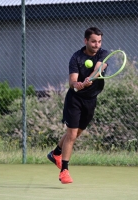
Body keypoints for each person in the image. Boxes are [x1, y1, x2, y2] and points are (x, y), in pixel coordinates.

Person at [47, 27, 109, 184]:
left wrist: (90, 79)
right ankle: (64, 171)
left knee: (76, 133)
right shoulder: (76, 57)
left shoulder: (103, 53)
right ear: (86, 41)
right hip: (75, 100)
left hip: (91, 100)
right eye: (93, 41)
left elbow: (99, 68)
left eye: (99, 41)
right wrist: (79, 84)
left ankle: (56, 153)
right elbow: (72, 82)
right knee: (72, 134)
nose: (97, 45)